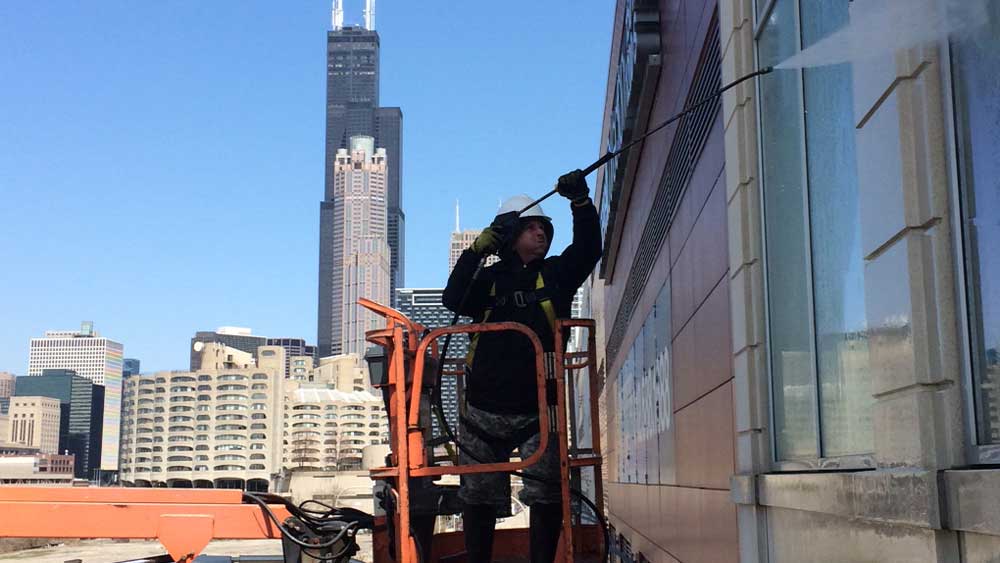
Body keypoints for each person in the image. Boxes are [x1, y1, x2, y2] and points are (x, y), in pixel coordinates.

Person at [442, 169, 602, 563]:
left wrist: (580, 202)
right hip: (482, 410)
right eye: (531, 228)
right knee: (478, 497)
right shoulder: (488, 279)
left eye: (544, 228)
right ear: (510, 235)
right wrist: (476, 250)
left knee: (546, 493)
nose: (541, 234)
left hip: (538, 411)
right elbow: (454, 299)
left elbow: (588, 249)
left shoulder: (556, 276)